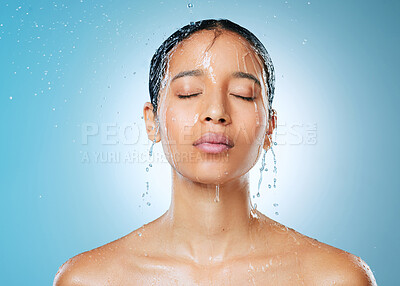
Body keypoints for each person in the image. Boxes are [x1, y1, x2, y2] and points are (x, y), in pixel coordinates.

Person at [54, 19, 377, 285]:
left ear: (269, 126)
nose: (215, 111)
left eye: (243, 94)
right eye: (188, 92)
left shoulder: (332, 278)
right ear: (152, 122)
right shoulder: (90, 279)